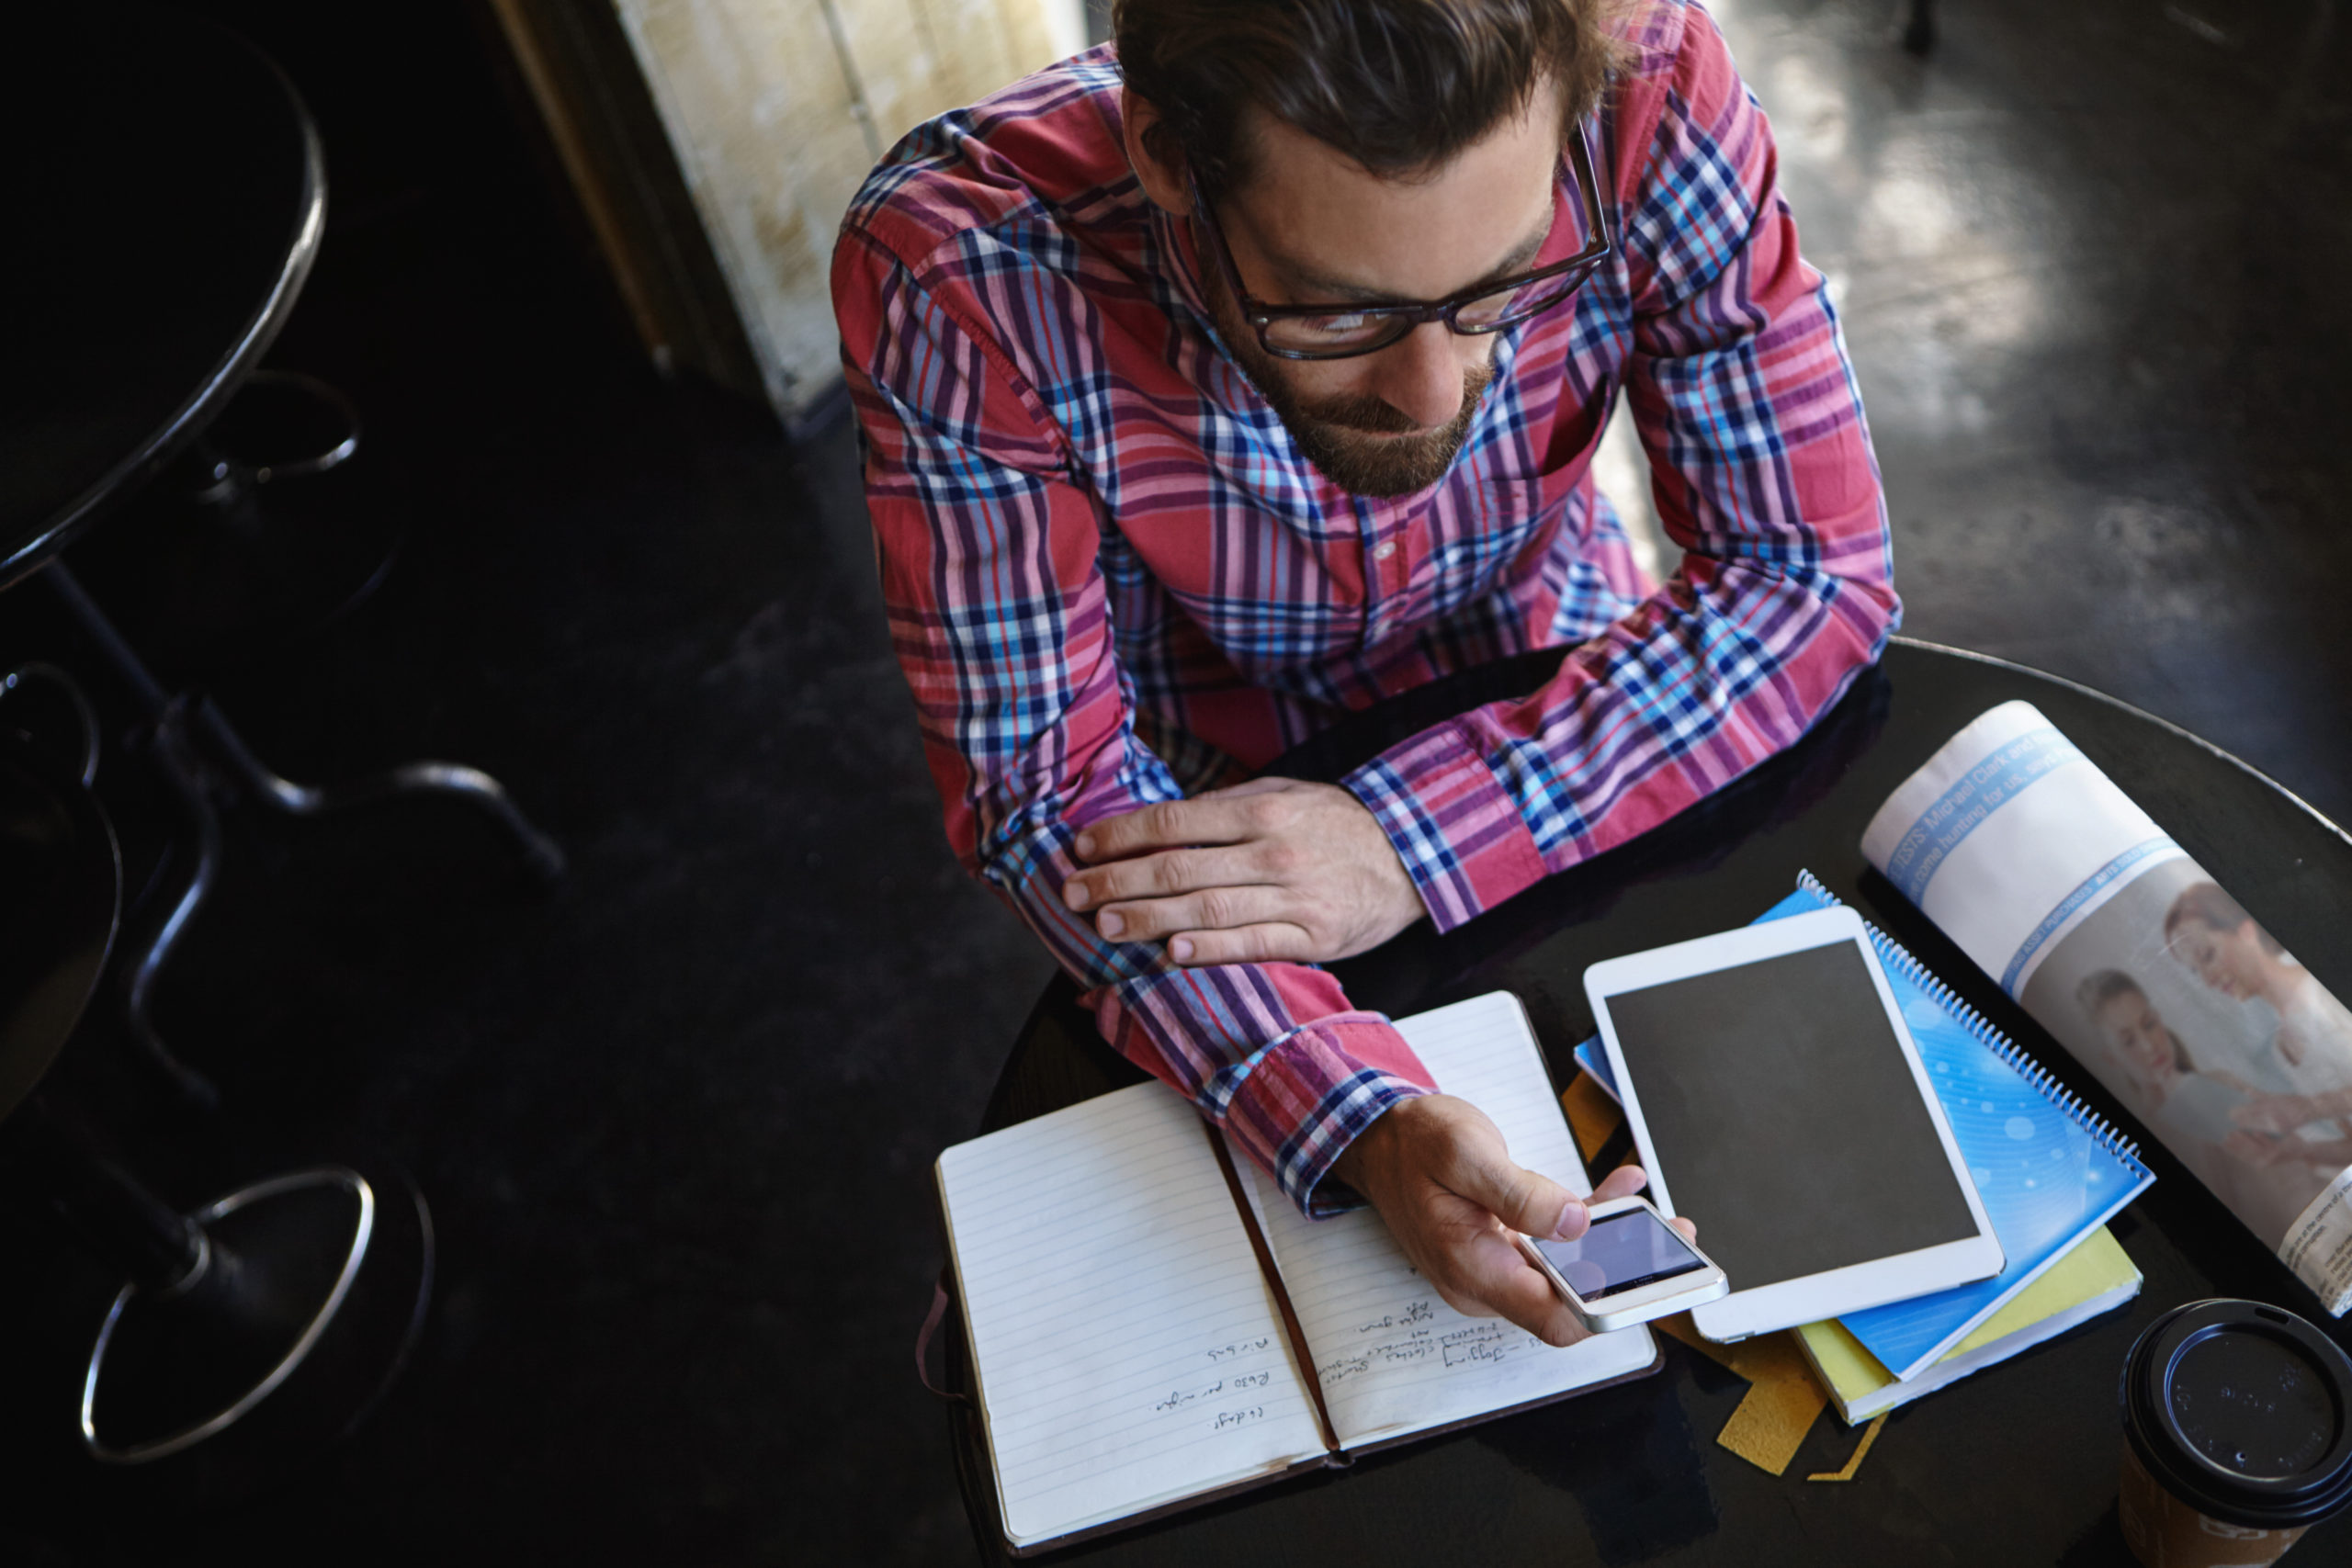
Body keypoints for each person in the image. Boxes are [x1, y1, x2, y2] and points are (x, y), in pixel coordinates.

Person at [832, 0, 1895, 1347]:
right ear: (1167, 155)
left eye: (1504, 285)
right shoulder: (961, 267)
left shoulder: (1646, 78)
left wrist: (1406, 837)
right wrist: (1365, 1121)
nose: (1440, 395)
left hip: (1567, 691)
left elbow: (1810, 571)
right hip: (1204, 807)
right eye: (1339, 312)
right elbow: (1049, 791)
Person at [2164, 882, 2352, 1151]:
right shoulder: (2280, 1048)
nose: (2207, 980)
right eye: (2195, 971)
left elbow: (2315, 1108)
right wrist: (2296, 1153)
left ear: (2246, 932)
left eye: (2208, 955)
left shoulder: (2324, 984)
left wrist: (2310, 1108)